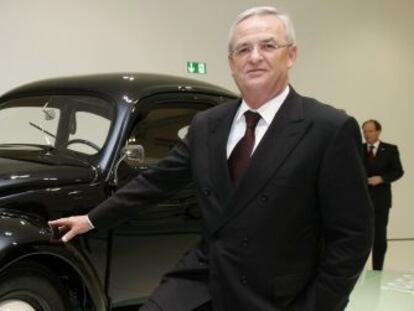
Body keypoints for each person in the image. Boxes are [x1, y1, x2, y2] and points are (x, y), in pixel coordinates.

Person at [49, 6, 373, 311]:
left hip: (278, 294)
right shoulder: (208, 124)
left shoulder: (328, 128)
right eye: (243, 49)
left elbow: (352, 236)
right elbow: (157, 181)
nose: (255, 57)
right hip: (206, 277)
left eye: (268, 45)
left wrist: (319, 305)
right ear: (231, 63)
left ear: (292, 55)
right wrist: (91, 219)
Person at [361, 119, 403, 271]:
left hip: (380, 200)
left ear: (378, 132)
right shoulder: (358, 149)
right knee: (360, 237)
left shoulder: (390, 149)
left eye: (370, 131)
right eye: (365, 131)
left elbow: (398, 171)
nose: (367, 134)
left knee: (379, 237)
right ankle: (357, 271)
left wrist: (382, 178)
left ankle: (377, 270)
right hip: (361, 201)